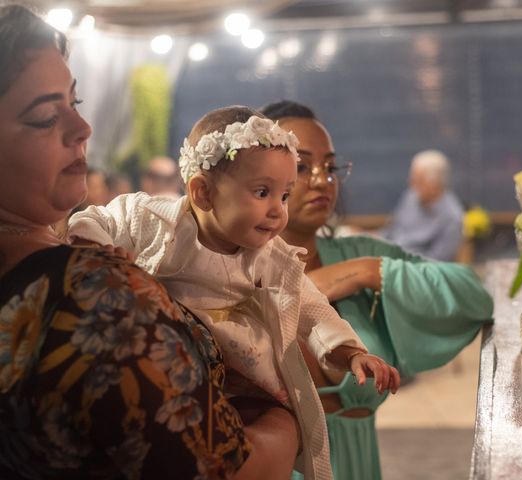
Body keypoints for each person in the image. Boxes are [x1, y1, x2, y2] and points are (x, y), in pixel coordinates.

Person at [0, 5, 301, 479]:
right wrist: (287, 419)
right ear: (200, 190)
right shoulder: (99, 297)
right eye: (43, 117)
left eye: (74, 105)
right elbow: (233, 470)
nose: (83, 129)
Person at [68, 106, 400, 480]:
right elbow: (94, 218)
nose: (277, 212)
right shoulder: (152, 219)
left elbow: (310, 306)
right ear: (203, 192)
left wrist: (350, 353)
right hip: (170, 367)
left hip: (241, 377)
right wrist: (94, 250)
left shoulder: (268, 254)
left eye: (284, 196)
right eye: (262, 192)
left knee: (267, 420)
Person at [259, 100, 494, 480]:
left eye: (331, 167)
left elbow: (475, 296)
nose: (322, 179)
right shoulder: (231, 277)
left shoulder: (359, 255)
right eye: (301, 166)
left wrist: (368, 271)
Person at [381, 149, 465, 261]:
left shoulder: (452, 217)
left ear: (435, 184)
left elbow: (436, 263)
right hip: (386, 258)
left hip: (412, 271)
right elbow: (390, 232)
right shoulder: (410, 197)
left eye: (418, 180)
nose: (411, 184)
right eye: (412, 178)